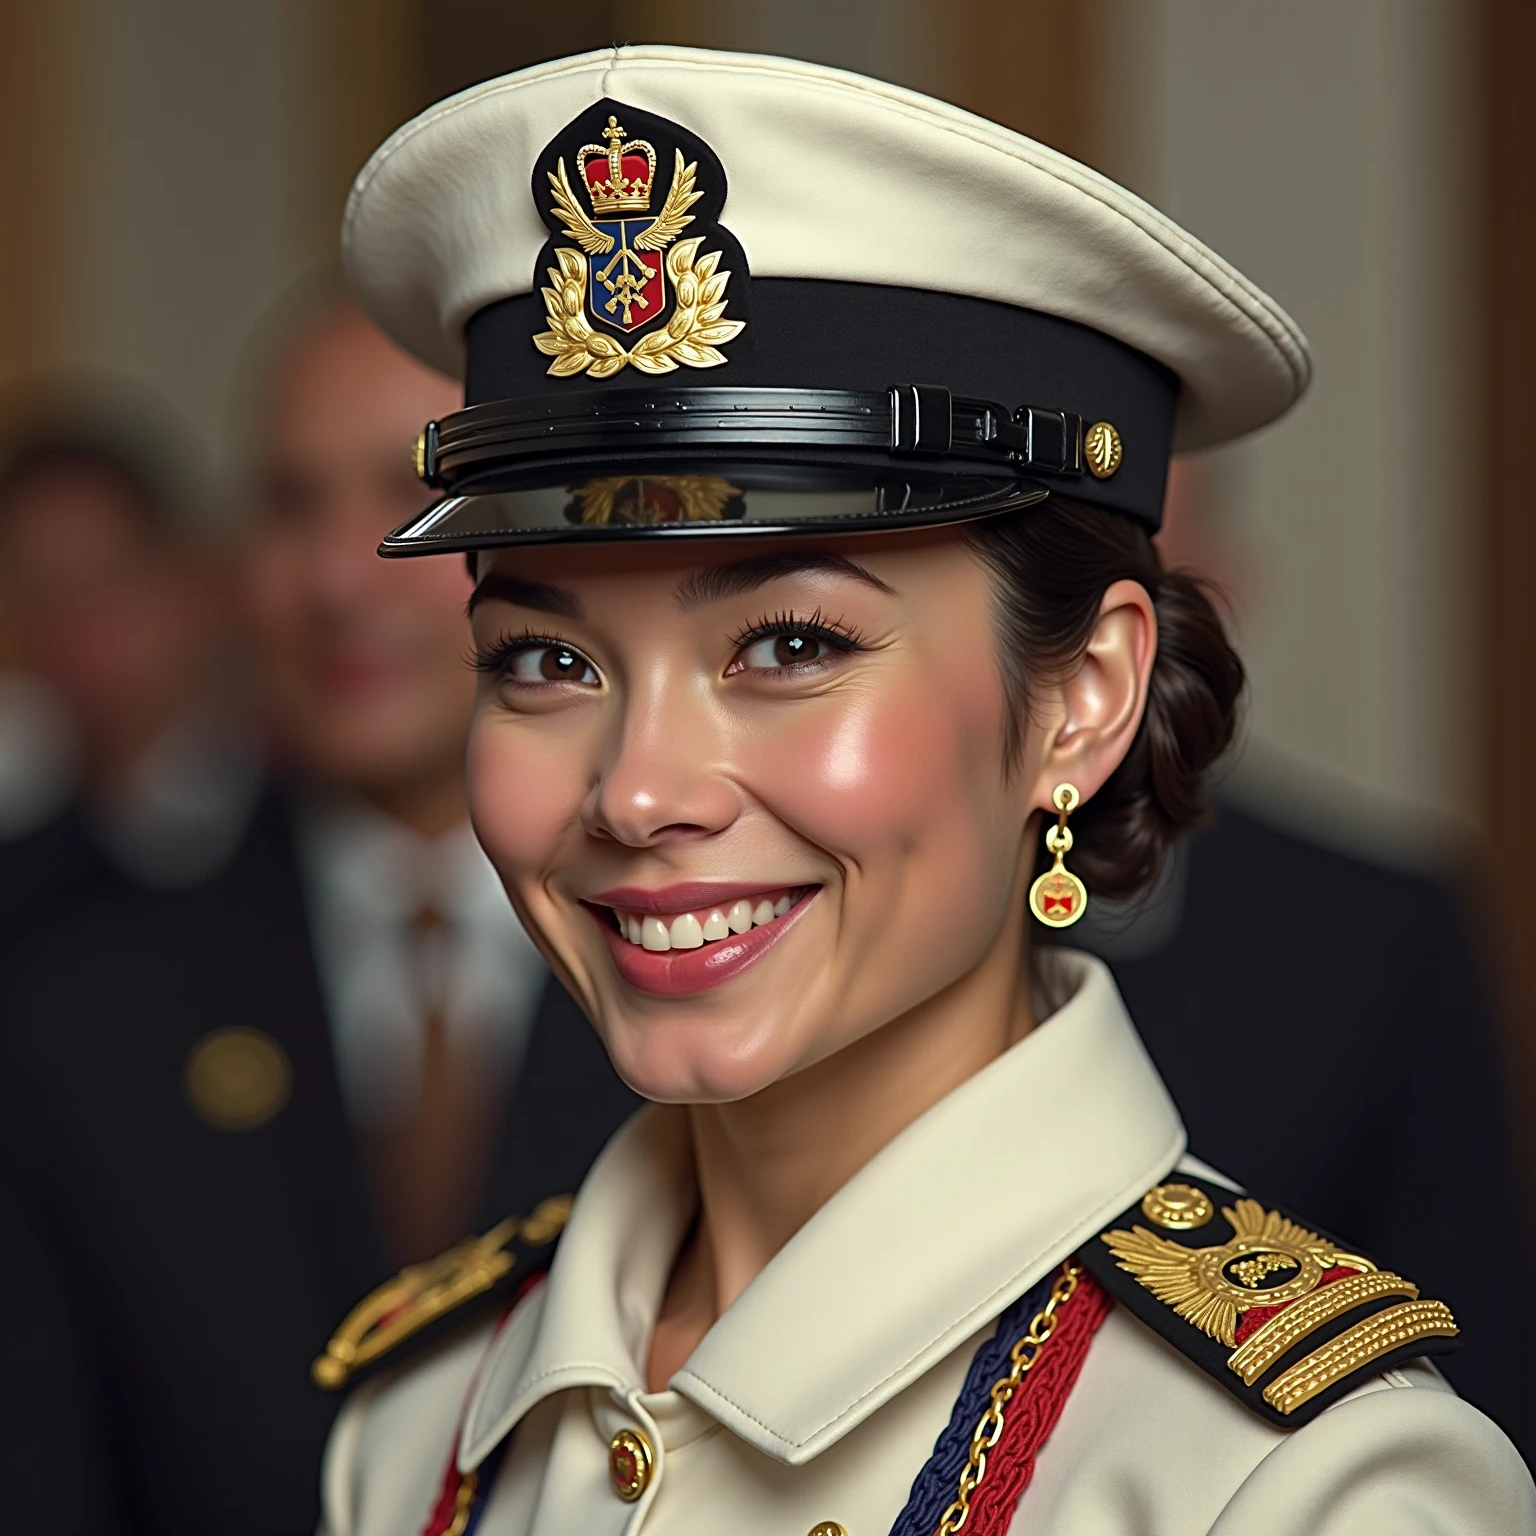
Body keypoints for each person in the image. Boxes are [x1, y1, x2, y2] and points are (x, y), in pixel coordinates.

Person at [314, 47, 1534, 1534]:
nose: (635, 795)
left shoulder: (1303, 1486)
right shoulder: (418, 1429)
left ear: (1081, 700)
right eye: (543, 661)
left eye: (788, 643)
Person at [0, 298, 637, 1536]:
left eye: (420, 492)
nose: (343, 575)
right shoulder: (73, 1021)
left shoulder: (726, 972)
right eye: (292, 506)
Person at [0, 406, 255, 928]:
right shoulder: (27, 876)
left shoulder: (307, 819)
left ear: (194, 584)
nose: (72, 628)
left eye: (101, 584)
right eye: (41, 596)